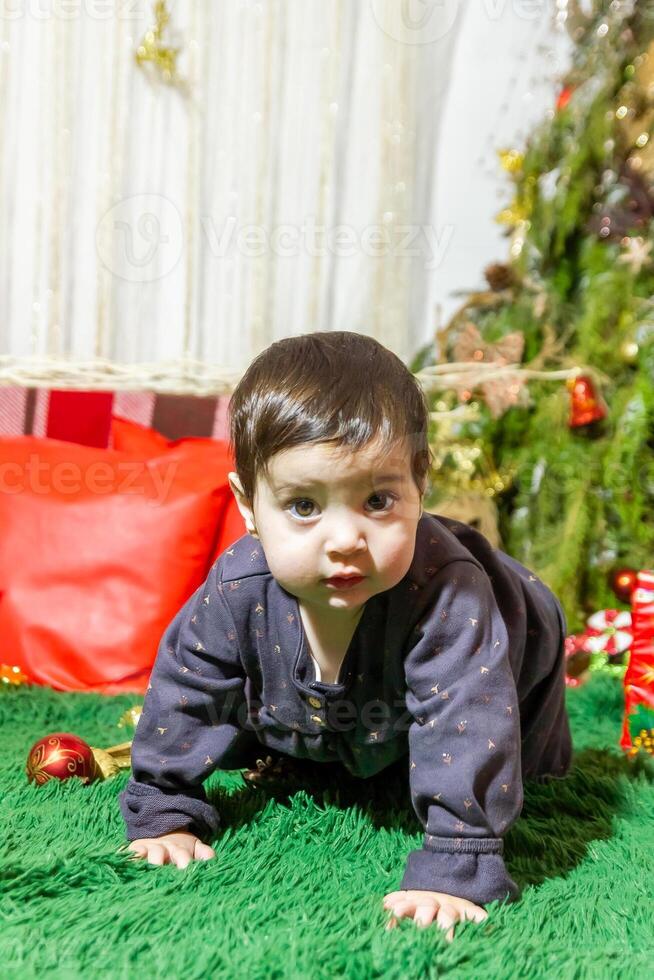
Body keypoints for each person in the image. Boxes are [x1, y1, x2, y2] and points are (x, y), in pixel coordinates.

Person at [118, 331, 573, 941]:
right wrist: (164, 811)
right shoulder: (238, 589)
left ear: (420, 485)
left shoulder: (449, 593)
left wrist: (456, 865)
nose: (344, 540)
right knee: (296, 741)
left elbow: (470, 716)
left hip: (515, 657)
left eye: (378, 499)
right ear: (249, 504)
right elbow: (187, 688)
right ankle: (315, 750)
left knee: (529, 771)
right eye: (304, 506)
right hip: (334, 703)